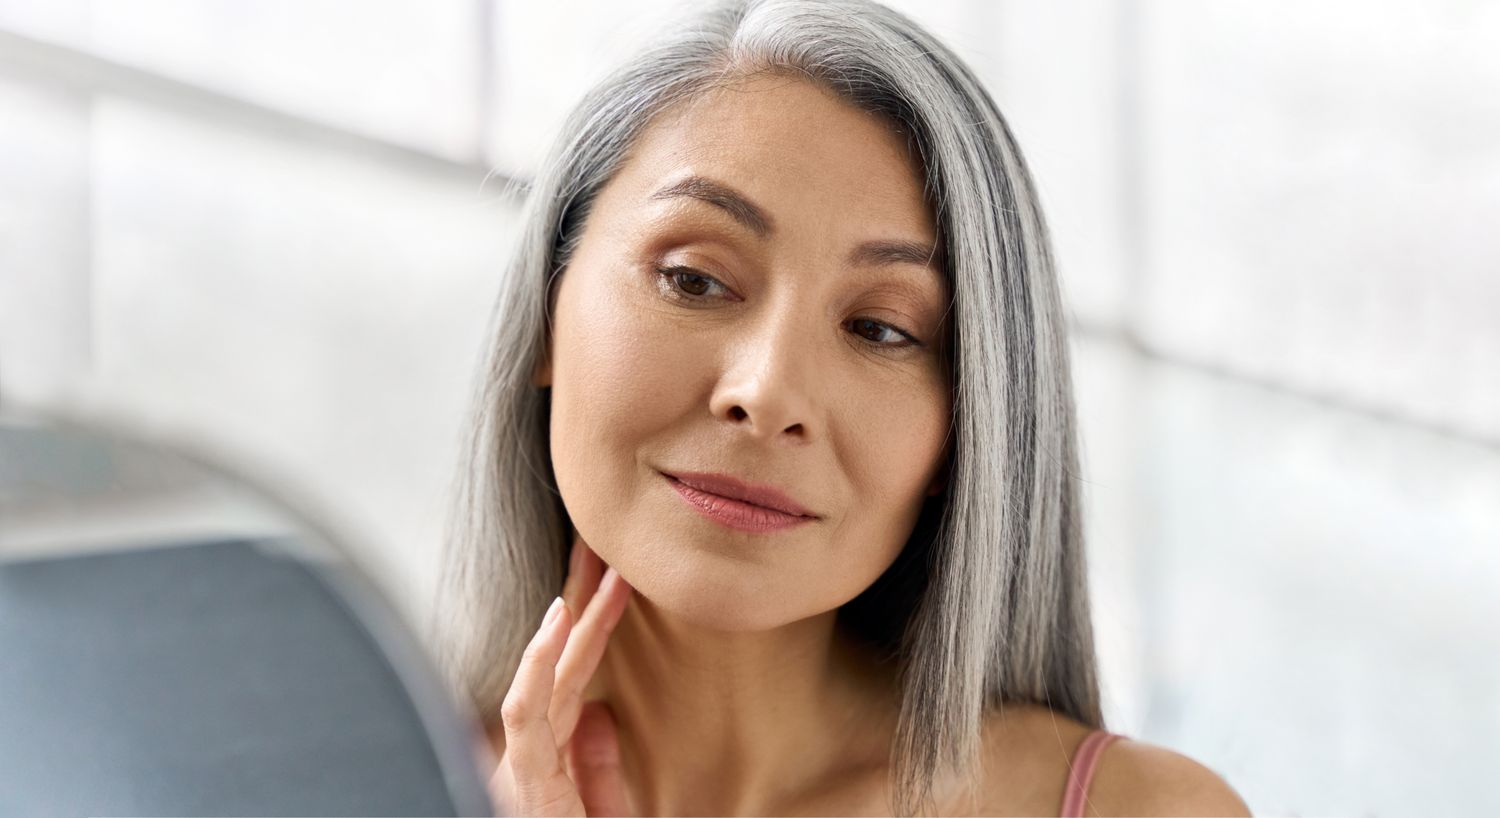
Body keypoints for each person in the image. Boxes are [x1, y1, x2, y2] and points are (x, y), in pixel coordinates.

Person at [428, 0, 1253, 814]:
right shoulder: (349, 772)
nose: (766, 392)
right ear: (544, 312)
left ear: (964, 436)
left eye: (881, 329)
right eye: (694, 279)